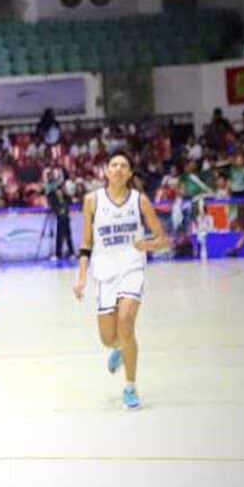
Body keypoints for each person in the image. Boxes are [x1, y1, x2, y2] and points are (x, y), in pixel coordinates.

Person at [73, 151, 169, 409]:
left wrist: (146, 245)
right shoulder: (92, 200)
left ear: (129, 173)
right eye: (113, 165)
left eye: (123, 165)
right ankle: (120, 349)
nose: (117, 169)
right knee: (108, 338)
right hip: (104, 270)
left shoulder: (140, 201)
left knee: (126, 322)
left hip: (132, 267)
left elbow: (163, 239)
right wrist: (81, 277)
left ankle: (130, 387)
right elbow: (85, 243)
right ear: (106, 171)